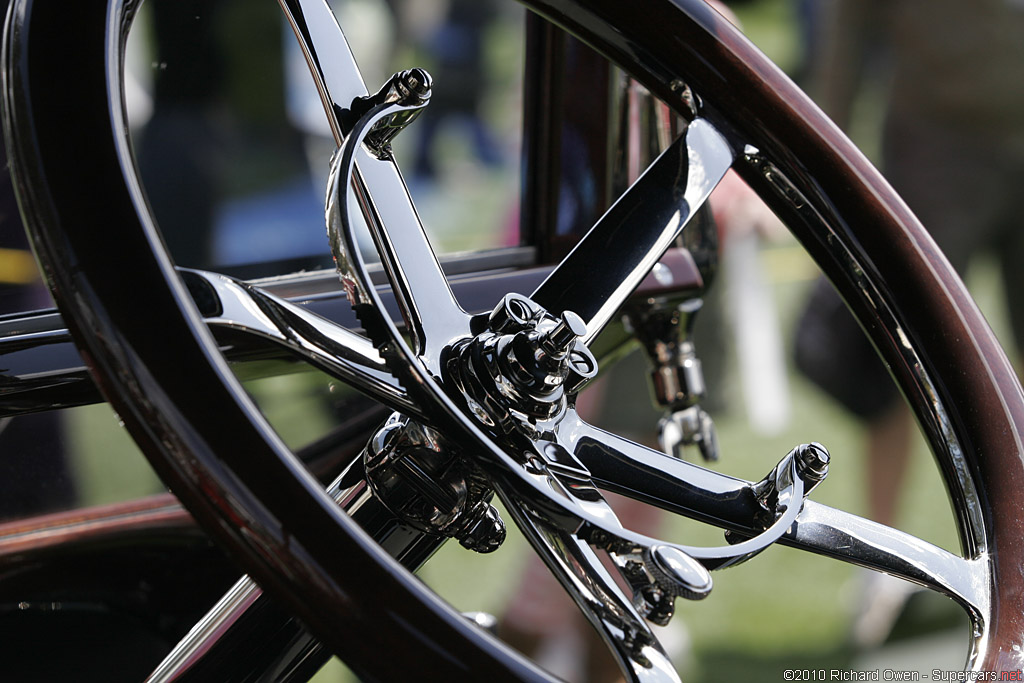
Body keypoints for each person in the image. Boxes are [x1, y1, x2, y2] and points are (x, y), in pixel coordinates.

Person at [795, 0, 1024, 647]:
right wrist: (814, 153)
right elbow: (848, 27)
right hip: (935, 143)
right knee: (908, 357)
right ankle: (885, 569)